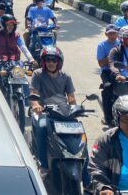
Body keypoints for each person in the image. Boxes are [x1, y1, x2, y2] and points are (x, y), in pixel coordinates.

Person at [30, 47, 76, 175]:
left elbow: (71, 97)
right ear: (44, 62)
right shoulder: (38, 74)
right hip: (45, 111)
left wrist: (74, 110)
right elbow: (34, 94)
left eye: (54, 60)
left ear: (59, 62)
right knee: (42, 127)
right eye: (48, 60)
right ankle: (43, 165)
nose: (51, 63)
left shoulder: (66, 76)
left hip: (63, 112)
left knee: (79, 132)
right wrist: (36, 105)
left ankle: (86, 177)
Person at [0, 15, 35, 85]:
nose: (11, 27)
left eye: (12, 25)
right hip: (0, 61)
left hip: (15, 61)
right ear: (3, 25)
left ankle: (27, 96)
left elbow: (23, 47)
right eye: (8, 25)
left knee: (24, 82)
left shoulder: (16, 35)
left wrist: (31, 59)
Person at [97, 25, 121, 124]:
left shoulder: (121, 44)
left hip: (121, 71)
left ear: (117, 34)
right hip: (107, 71)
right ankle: (108, 117)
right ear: (106, 34)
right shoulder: (102, 46)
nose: (112, 35)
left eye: (114, 33)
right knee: (107, 89)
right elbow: (101, 63)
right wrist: (111, 57)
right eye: (110, 33)